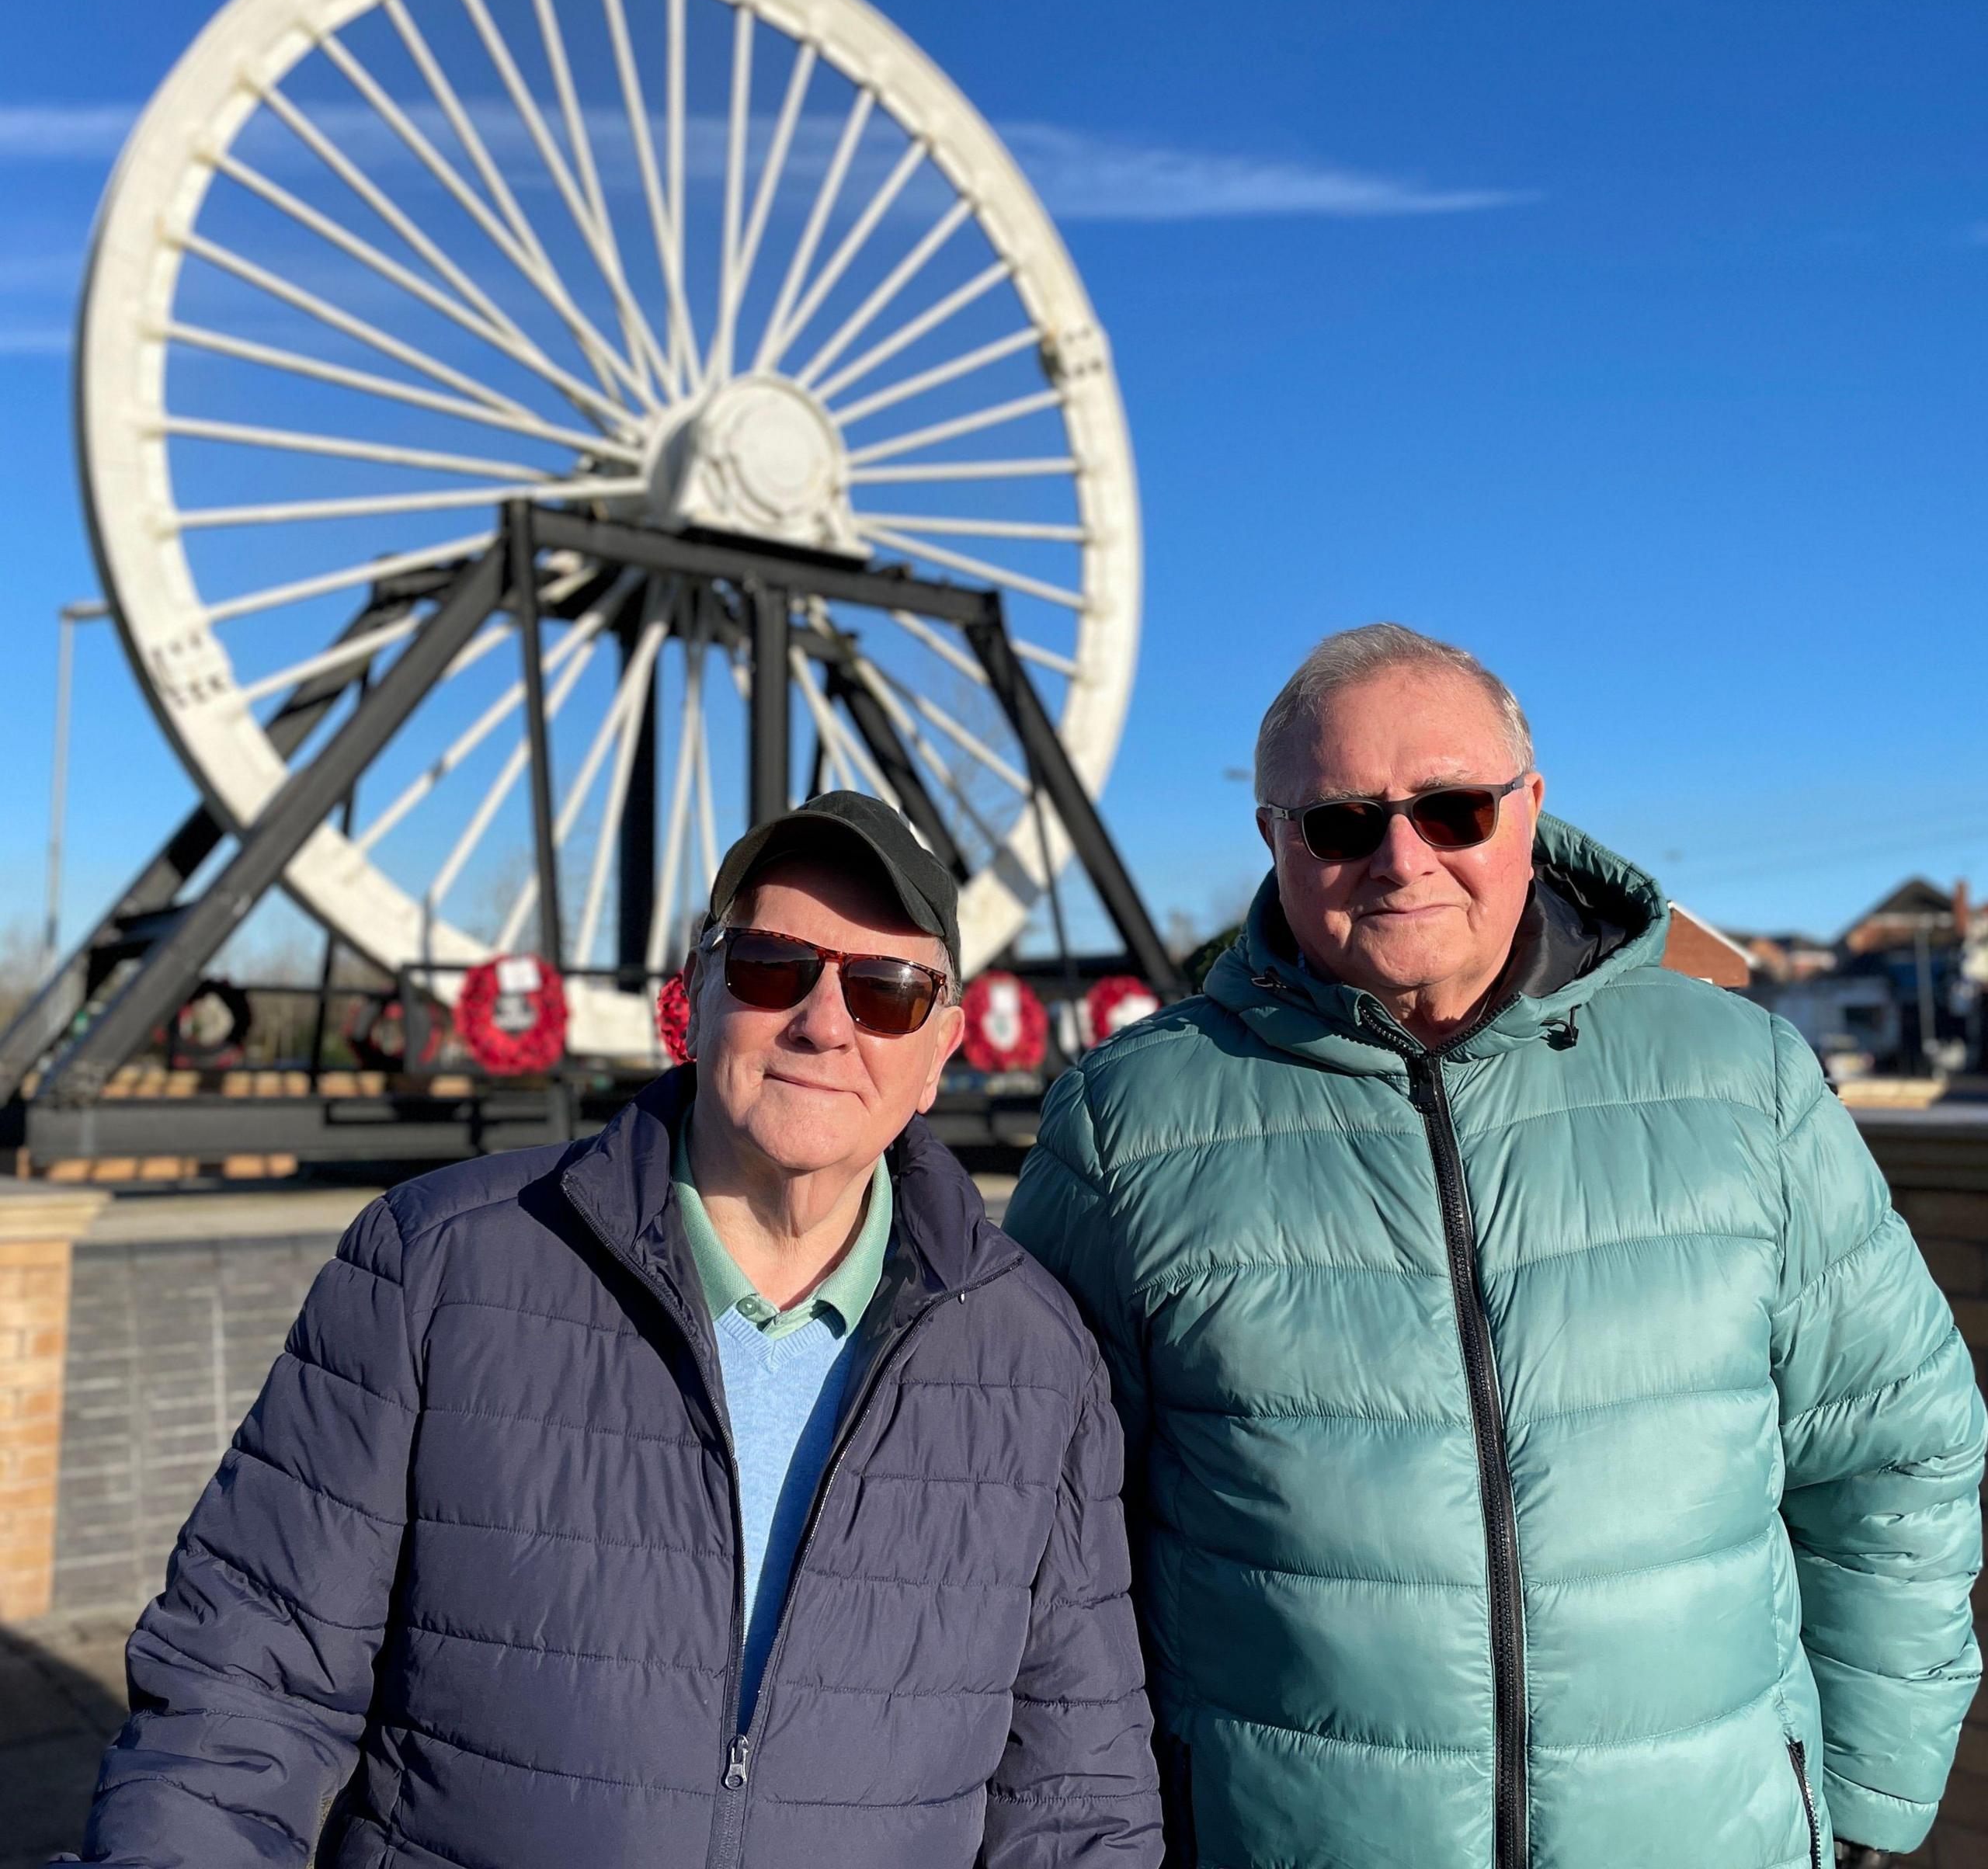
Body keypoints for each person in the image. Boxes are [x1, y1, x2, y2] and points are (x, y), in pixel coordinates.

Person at [1006, 624, 1984, 1869]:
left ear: (1531, 809)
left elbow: (1899, 1453)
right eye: (1343, 823)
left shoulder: (1745, 1084)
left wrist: (1857, 1804)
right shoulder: (1129, 1124)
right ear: (1275, 840)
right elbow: (1045, 1538)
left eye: (1454, 809)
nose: (1402, 860)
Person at [65, 791, 1160, 1869]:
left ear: (942, 1052)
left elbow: (1075, 1798)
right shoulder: (435, 1267)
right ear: (698, 993)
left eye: (887, 993)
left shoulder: (1035, 1359)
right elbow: (241, 1694)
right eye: (775, 968)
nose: (826, 1023)